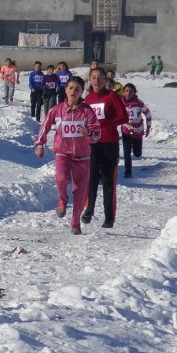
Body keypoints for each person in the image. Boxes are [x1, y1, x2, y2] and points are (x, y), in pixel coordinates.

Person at [33, 76, 101, 235]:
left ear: (81, 92)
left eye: (77, 89)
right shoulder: (56, 110)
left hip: (83, 156)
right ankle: (62, 199)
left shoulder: (87, 111)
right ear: (65, 89)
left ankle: (75, 222)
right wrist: (40, 144)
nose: (73, 91)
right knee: (61, 178)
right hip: (63, 152)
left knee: (80, 190)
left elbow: (97, 135)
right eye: (71, 88)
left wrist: (89, 132)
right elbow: (45, 126)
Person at [80, 67, 129, 228]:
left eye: (100, 77)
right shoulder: (88, 99)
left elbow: (124, 117)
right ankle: (89, 209)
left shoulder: (112, 95)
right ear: (89, 80)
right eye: (93, 78)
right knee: (91, 178)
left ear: (105, 80)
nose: (96, 81)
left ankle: (109, 217)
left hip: (109, 143)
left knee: (108, 180)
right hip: (93, 144)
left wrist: (106, 123)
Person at [119, 83, 153, 178]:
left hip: (138, 130)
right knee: (126, 152)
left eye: (131, 91)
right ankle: (128, 172)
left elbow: (148, 114)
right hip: (126, 131)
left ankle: (137, 149)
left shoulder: (139, 103)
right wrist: (124, 123)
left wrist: (148, 127)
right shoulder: (120, 103)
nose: (128, 93)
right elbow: (116, 116)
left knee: (137, 154)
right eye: (126, 91)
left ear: (134, 93)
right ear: (123, 92)